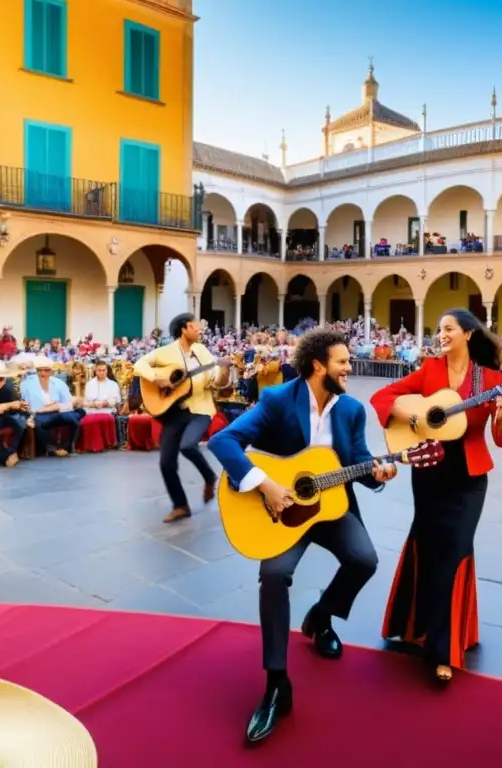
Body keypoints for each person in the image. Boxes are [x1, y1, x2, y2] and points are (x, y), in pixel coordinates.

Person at [207, 327, 396, 744]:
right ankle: (277, 685)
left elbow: (360, 463)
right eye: (343, 362)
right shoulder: (278, 400)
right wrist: (266, 485)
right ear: (318, 366)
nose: (350, 368)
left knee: (365, 560)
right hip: (282, 509)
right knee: (274, 576)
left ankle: (321, 617)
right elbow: (223, 441)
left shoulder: (351, 410)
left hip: (331, 508)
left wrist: (378, 473)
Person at [370, 309, 502, 683]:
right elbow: (384, 396)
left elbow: (498, 438)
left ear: (468, 333)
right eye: (439, 329)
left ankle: (443, 649)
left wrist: (501, 415)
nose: (441, 334)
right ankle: (414, 624)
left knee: (454, 552)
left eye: (448, 328)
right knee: (428, 544)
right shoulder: (431, 370)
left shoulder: (492, 380)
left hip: (469, 478)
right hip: (429, 470)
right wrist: (417, 418)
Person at [133, 313, 231, 523]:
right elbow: (139, 365)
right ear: (184, 329)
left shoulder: (202, 352)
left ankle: (209, 476)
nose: (199, 329)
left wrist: (223, 372)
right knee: (166, 462)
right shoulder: (165, 353)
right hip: (175, 412)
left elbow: (216, 380)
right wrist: (159, 379)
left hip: (201, 409)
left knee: (187, 446)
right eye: (195, 326)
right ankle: (180, 506)